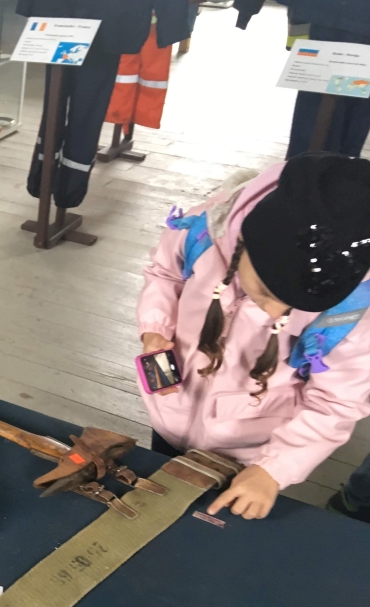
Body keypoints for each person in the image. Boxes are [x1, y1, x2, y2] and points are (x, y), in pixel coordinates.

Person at [138, 153, 370, 521]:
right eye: (264, 291)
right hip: (172, 412)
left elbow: (336, 403)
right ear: (243, 239)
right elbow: (164, 273)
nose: (274, 313)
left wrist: (272, 470)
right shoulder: (204, 231)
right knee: (157, 504)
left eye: (292, 306)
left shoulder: (353, 315)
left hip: (250, 451)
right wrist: (155, 329)